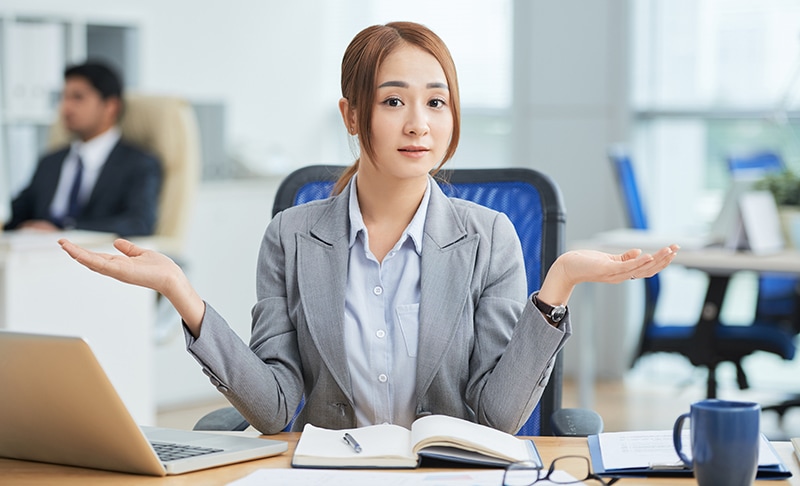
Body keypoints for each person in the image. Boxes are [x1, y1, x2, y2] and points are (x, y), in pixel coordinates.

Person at [59, 22, 678, 435]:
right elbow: (276, 410)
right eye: (393, 101)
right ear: (352, 114)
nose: (420, 125)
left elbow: (495, 420)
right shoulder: (291, 236)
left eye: (436, 102)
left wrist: (559, 286)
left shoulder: (491, 237)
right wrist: (181, 294)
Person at [4, 61, 162, 237]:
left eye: (78, 97)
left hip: (94, 257)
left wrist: (66, 231)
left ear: (111, 106)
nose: (66, 108)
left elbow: (138, 223)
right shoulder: (50, 161)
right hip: (34, 253)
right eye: (64, 98)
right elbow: (16, 217)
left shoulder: (138, 163)